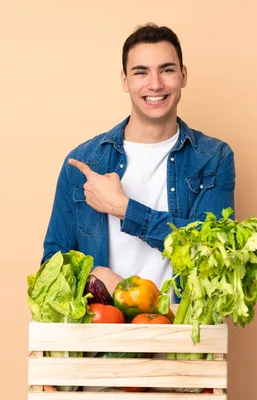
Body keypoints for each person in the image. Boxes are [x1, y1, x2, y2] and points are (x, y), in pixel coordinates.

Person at [41, 23, 236, 295]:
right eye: (141, 72)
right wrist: (95, 283)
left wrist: (124, 209)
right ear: (125, 80)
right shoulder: (84, 162)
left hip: (183, 330)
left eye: (166, 70)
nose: (155, 84)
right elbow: (53, 264)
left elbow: (216, 253)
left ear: (183, 75)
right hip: (101, 329)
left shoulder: (213, 158)